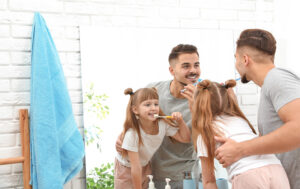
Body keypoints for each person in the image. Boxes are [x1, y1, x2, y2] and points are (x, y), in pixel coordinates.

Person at [214, 29, 300, 189]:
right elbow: (271, 140)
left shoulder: (277, 78)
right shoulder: (271, 85)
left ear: (245, 59)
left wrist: (240, 149)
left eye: (236, 59)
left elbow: (298, 128)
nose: (236, 64)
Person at [116, 44, 202, 189]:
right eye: (186, 66)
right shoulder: (154, 90)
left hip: (185, 175)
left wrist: (196, 109)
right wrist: (123, 136)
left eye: (196, 65)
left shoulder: (204, 99)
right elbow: (137, 117)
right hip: (151, 173)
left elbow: (200, 145)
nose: (193, 70)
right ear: (172, 70)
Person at [192, 79, 290, 189]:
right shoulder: (240, 120)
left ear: (197, 105)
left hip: (248, 174)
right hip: (276, 169)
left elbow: (209, 181)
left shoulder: (206, 133)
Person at [114, 87, 191, 189]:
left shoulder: (162, 124)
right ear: (135, 110)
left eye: (156, 104)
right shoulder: (132, 133)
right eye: (147, 105)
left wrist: (181, 122)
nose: (153, 108)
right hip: (126, 169)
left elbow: (185, 138)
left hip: (144, 166)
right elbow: (135, 167)